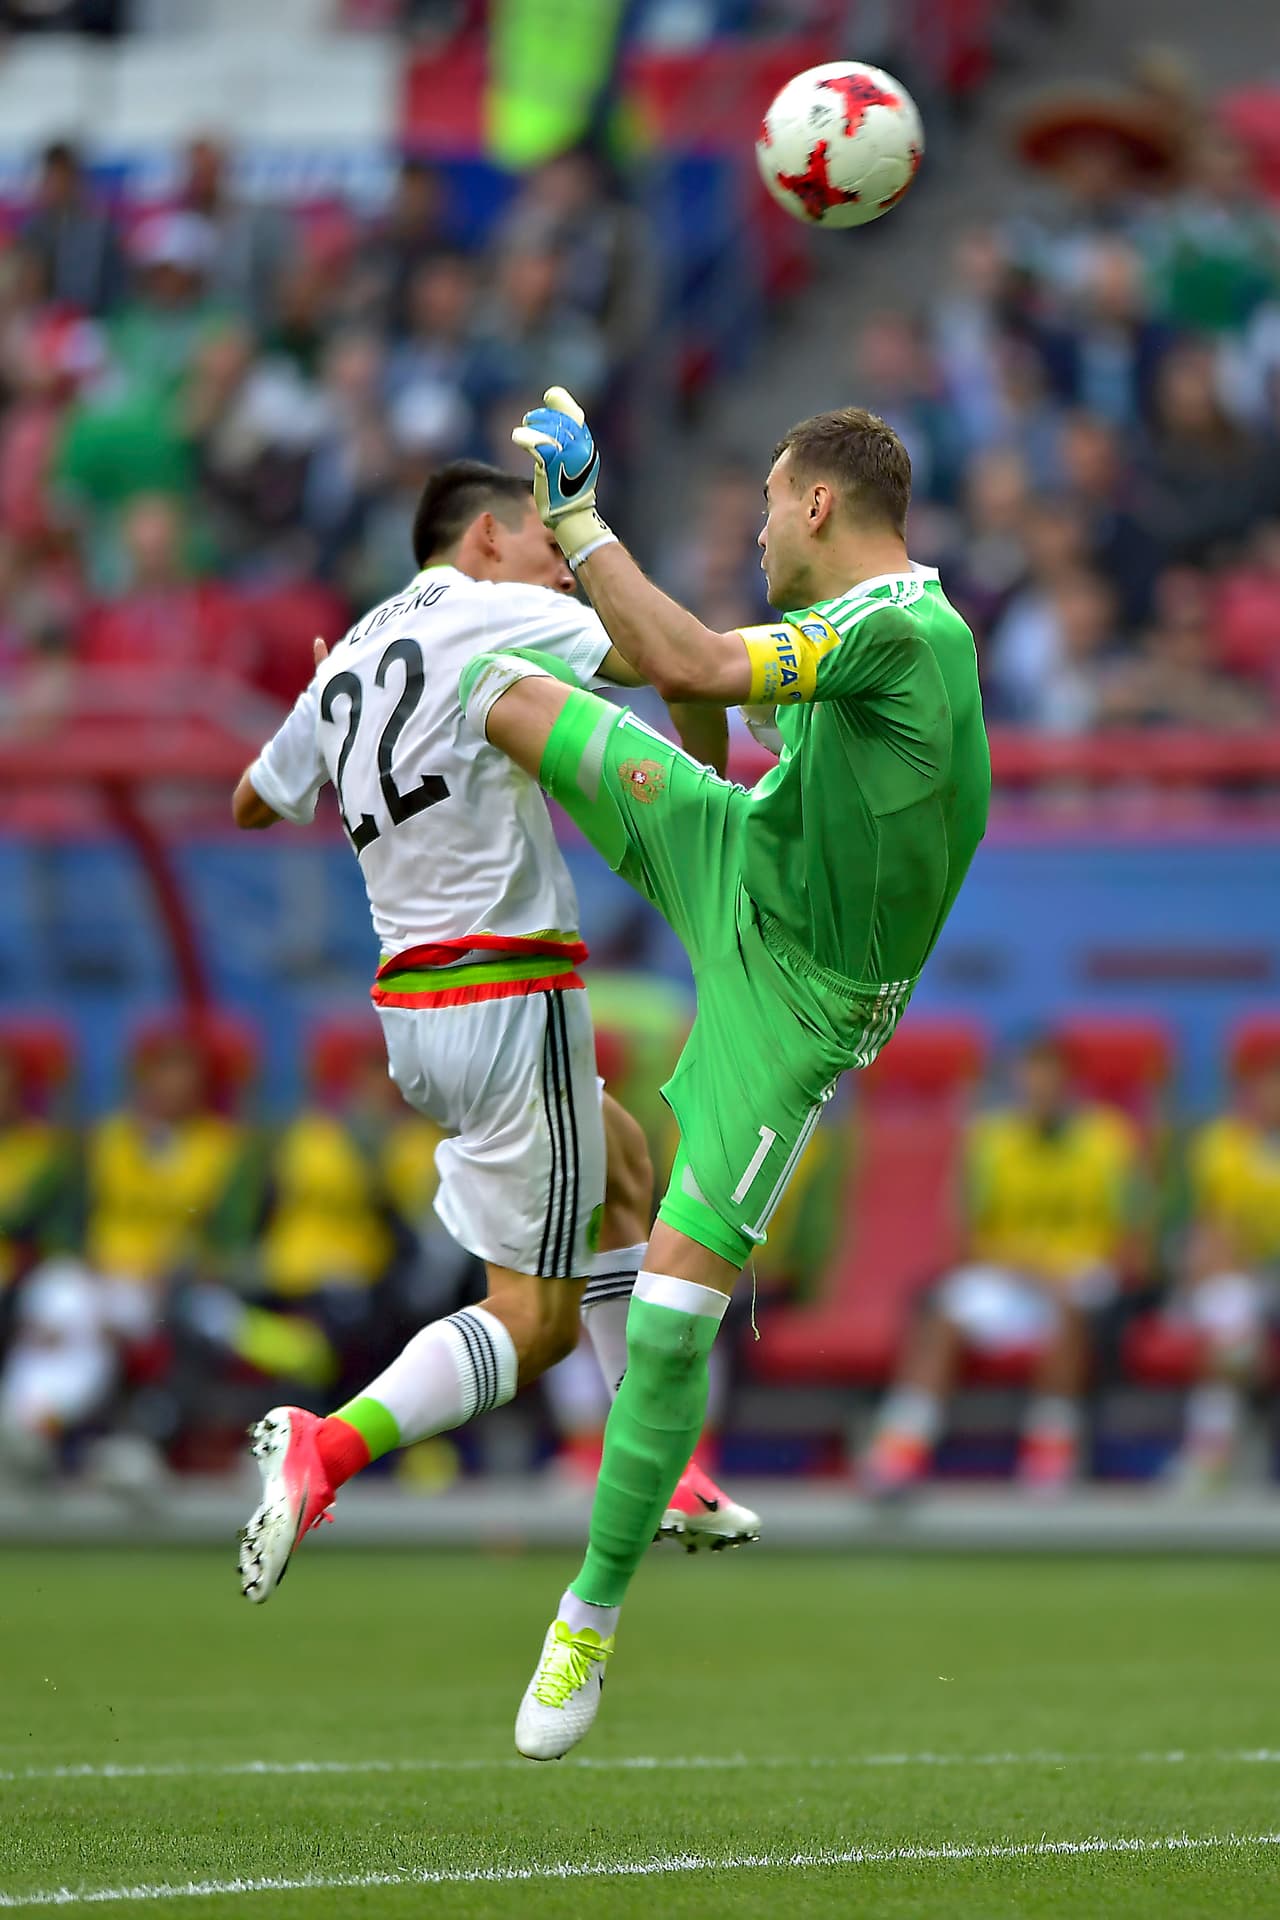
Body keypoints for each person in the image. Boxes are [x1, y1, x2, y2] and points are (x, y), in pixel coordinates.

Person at [462, 386, 990, 1757]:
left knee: (677, 1320)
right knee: (500, 696)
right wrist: (677, 709)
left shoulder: (904, 631)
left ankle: (586, 1618)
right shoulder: (844, 643)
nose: (758, 528)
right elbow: (706, 704)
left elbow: (689, 660)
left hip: (802, 1001)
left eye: (767, 501)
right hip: (734, 854)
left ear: (817, 503)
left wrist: (578, 523)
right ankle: (478, 956)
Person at [232, 458, 759, 1604]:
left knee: (621, 1161)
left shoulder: (355, 653)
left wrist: (329, 711)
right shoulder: (498, 614)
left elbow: (249, 801)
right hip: (509, 990)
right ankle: (332, 1445)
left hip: (417, 1011)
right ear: (484, 537)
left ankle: (661, 1469)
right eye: (545, 549)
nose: (561, 573)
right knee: (531, 1325)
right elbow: (671, 659)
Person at [862, 1035, 1145, 1497]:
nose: (1041, 1089)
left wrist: (1068, 1271)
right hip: (1009, 1273)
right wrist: (1025, 1267)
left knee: (1074, 1309)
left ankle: (1049, 1457)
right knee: (943, 1317)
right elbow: (965, 1241)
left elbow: (1132, 1242)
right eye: (1031, 1077)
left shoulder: (1107, 1142)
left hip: (1082, 1274)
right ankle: (900, 1450)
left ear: (1070, 1083)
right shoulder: (990, 1143)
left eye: (1051, 1077)